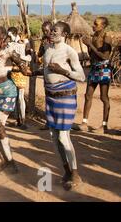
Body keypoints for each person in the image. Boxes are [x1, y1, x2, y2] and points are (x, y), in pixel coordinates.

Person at [38, 21, 85, 190]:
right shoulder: (48, 49)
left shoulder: (69, 51)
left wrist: (63, 71)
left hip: (65, 96)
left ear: (64, 34)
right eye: (51, 30)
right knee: (53, 136)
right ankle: (66, 171)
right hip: (51, 97)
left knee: (64, 138)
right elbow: (46, 71)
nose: (51, 32)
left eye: (55, 30)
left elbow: (81, 77)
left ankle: (75, 174)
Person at [0, 25, 30, 174]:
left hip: (7, 92)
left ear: (2, 36)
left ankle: (11, 163)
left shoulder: (8, 51)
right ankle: (3, 160)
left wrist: (22, 68)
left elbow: (22, 65)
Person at [76, 17, 112, 134]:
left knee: (103, 97)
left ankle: (104, 126)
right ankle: (84, 123)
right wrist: (88, 45)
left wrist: (90, 44)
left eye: (96, 24)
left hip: (104, 69)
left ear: (103, 26)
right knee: (88, 96)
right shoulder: (94, 36)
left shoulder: (107, 37)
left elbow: (105, 56)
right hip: (94, 68)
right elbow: (93, 55)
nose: (93, 26)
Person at [7, 27, 32, 129]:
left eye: (10, 35)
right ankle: (18, 119)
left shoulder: (23, 43)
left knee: (20, 97)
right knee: (15, 96)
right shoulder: (10, 44)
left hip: (20, 72)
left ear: (13, 34)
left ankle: (23, 120)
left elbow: (29, 58)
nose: (9, 37)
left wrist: (19, 58)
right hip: (13, 72)